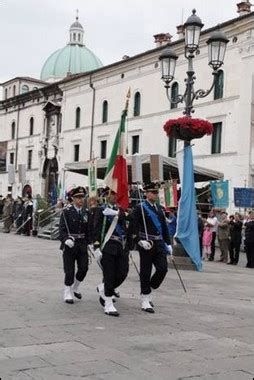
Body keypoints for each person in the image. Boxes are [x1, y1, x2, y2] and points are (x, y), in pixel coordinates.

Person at [130, 182, 171, 314]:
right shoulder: (140, 208)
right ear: (146, 194)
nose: (155, 195)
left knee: (162, 269)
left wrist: (168, 243)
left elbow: (164, 226)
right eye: (152, 192)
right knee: (145, 271)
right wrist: (139, 241)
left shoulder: (159, 208)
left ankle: (149, 288)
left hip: (159, 243)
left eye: (156, 192)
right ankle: (145, 297)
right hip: (146, 243)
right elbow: (133, 226)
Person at [92, 188, 129, 317]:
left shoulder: (121, 211)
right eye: (112, 193)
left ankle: (103, 287)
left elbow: (125, 226)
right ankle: (108, 303)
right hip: (108, 245)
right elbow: (95, 228)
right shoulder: (101, 209)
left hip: (121, 245)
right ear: (107, 195)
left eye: (116, 193)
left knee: (123, 273)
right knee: (109, 274)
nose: (115, 196)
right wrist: (96, 247)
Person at [59, 186, 90, 304]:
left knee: (84, 268)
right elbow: (62, 229)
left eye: (82, 197)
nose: (81, 200)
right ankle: (67, 291)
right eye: (78, 197)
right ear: (72, 198)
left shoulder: (86, 212)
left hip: (82, 244)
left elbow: (88, 230)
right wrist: (65, 239)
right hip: (69, 245)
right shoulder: (66, 212)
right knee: (69, 270)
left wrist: (90, 243)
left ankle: (75, 287)